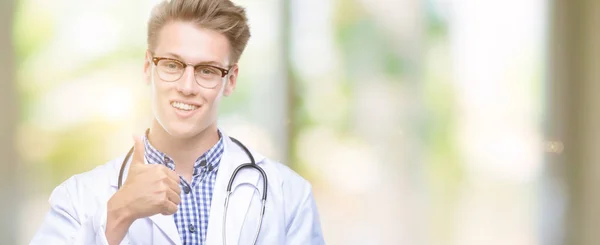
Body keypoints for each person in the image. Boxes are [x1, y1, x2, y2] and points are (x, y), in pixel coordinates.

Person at [29, 0, 325, 244]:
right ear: (148, 67)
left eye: (207, 70)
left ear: (230, 80)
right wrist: (119, 213)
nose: (187, 86)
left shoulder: (288, 195)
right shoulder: (80, 197)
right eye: (172, 65)